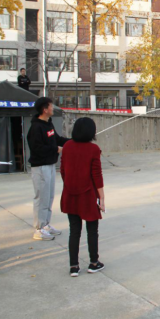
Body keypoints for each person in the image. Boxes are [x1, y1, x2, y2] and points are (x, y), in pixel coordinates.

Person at [60, 118, 106, 277]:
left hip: (70, 194)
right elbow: (97, 176)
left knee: (74, 231)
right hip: (87, 196)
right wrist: (102, 198)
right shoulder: (93, 149)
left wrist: (70, 185)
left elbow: (63, 171)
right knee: (92, 230)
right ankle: (94, 263)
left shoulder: (67, 146)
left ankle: (74, 266)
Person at [27, 97, 70, 241]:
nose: (53, 108)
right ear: (45, 109)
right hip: (40, 167)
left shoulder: (48, 124)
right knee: (41, 198)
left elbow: (57, 139)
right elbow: (37, 148)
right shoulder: (36, 128)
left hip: (50, 165)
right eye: (51, 106)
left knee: (49, 196)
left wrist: (73, 141)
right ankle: (38, 229)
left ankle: (45, 224)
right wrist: (55, 149)